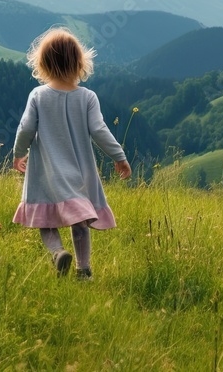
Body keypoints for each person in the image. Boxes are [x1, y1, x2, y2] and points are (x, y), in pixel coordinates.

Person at [11, 27, 132, 280]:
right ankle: (83, 269)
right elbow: (99, 130)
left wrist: (18, 153)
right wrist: (118, 157)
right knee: (80, 222)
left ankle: (57, 253)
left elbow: (25, 128)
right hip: (79, 174)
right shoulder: (87, 97)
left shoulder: (38, 95)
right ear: (80, 63)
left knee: (45, 220)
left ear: (42, 63)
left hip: (46, 172)